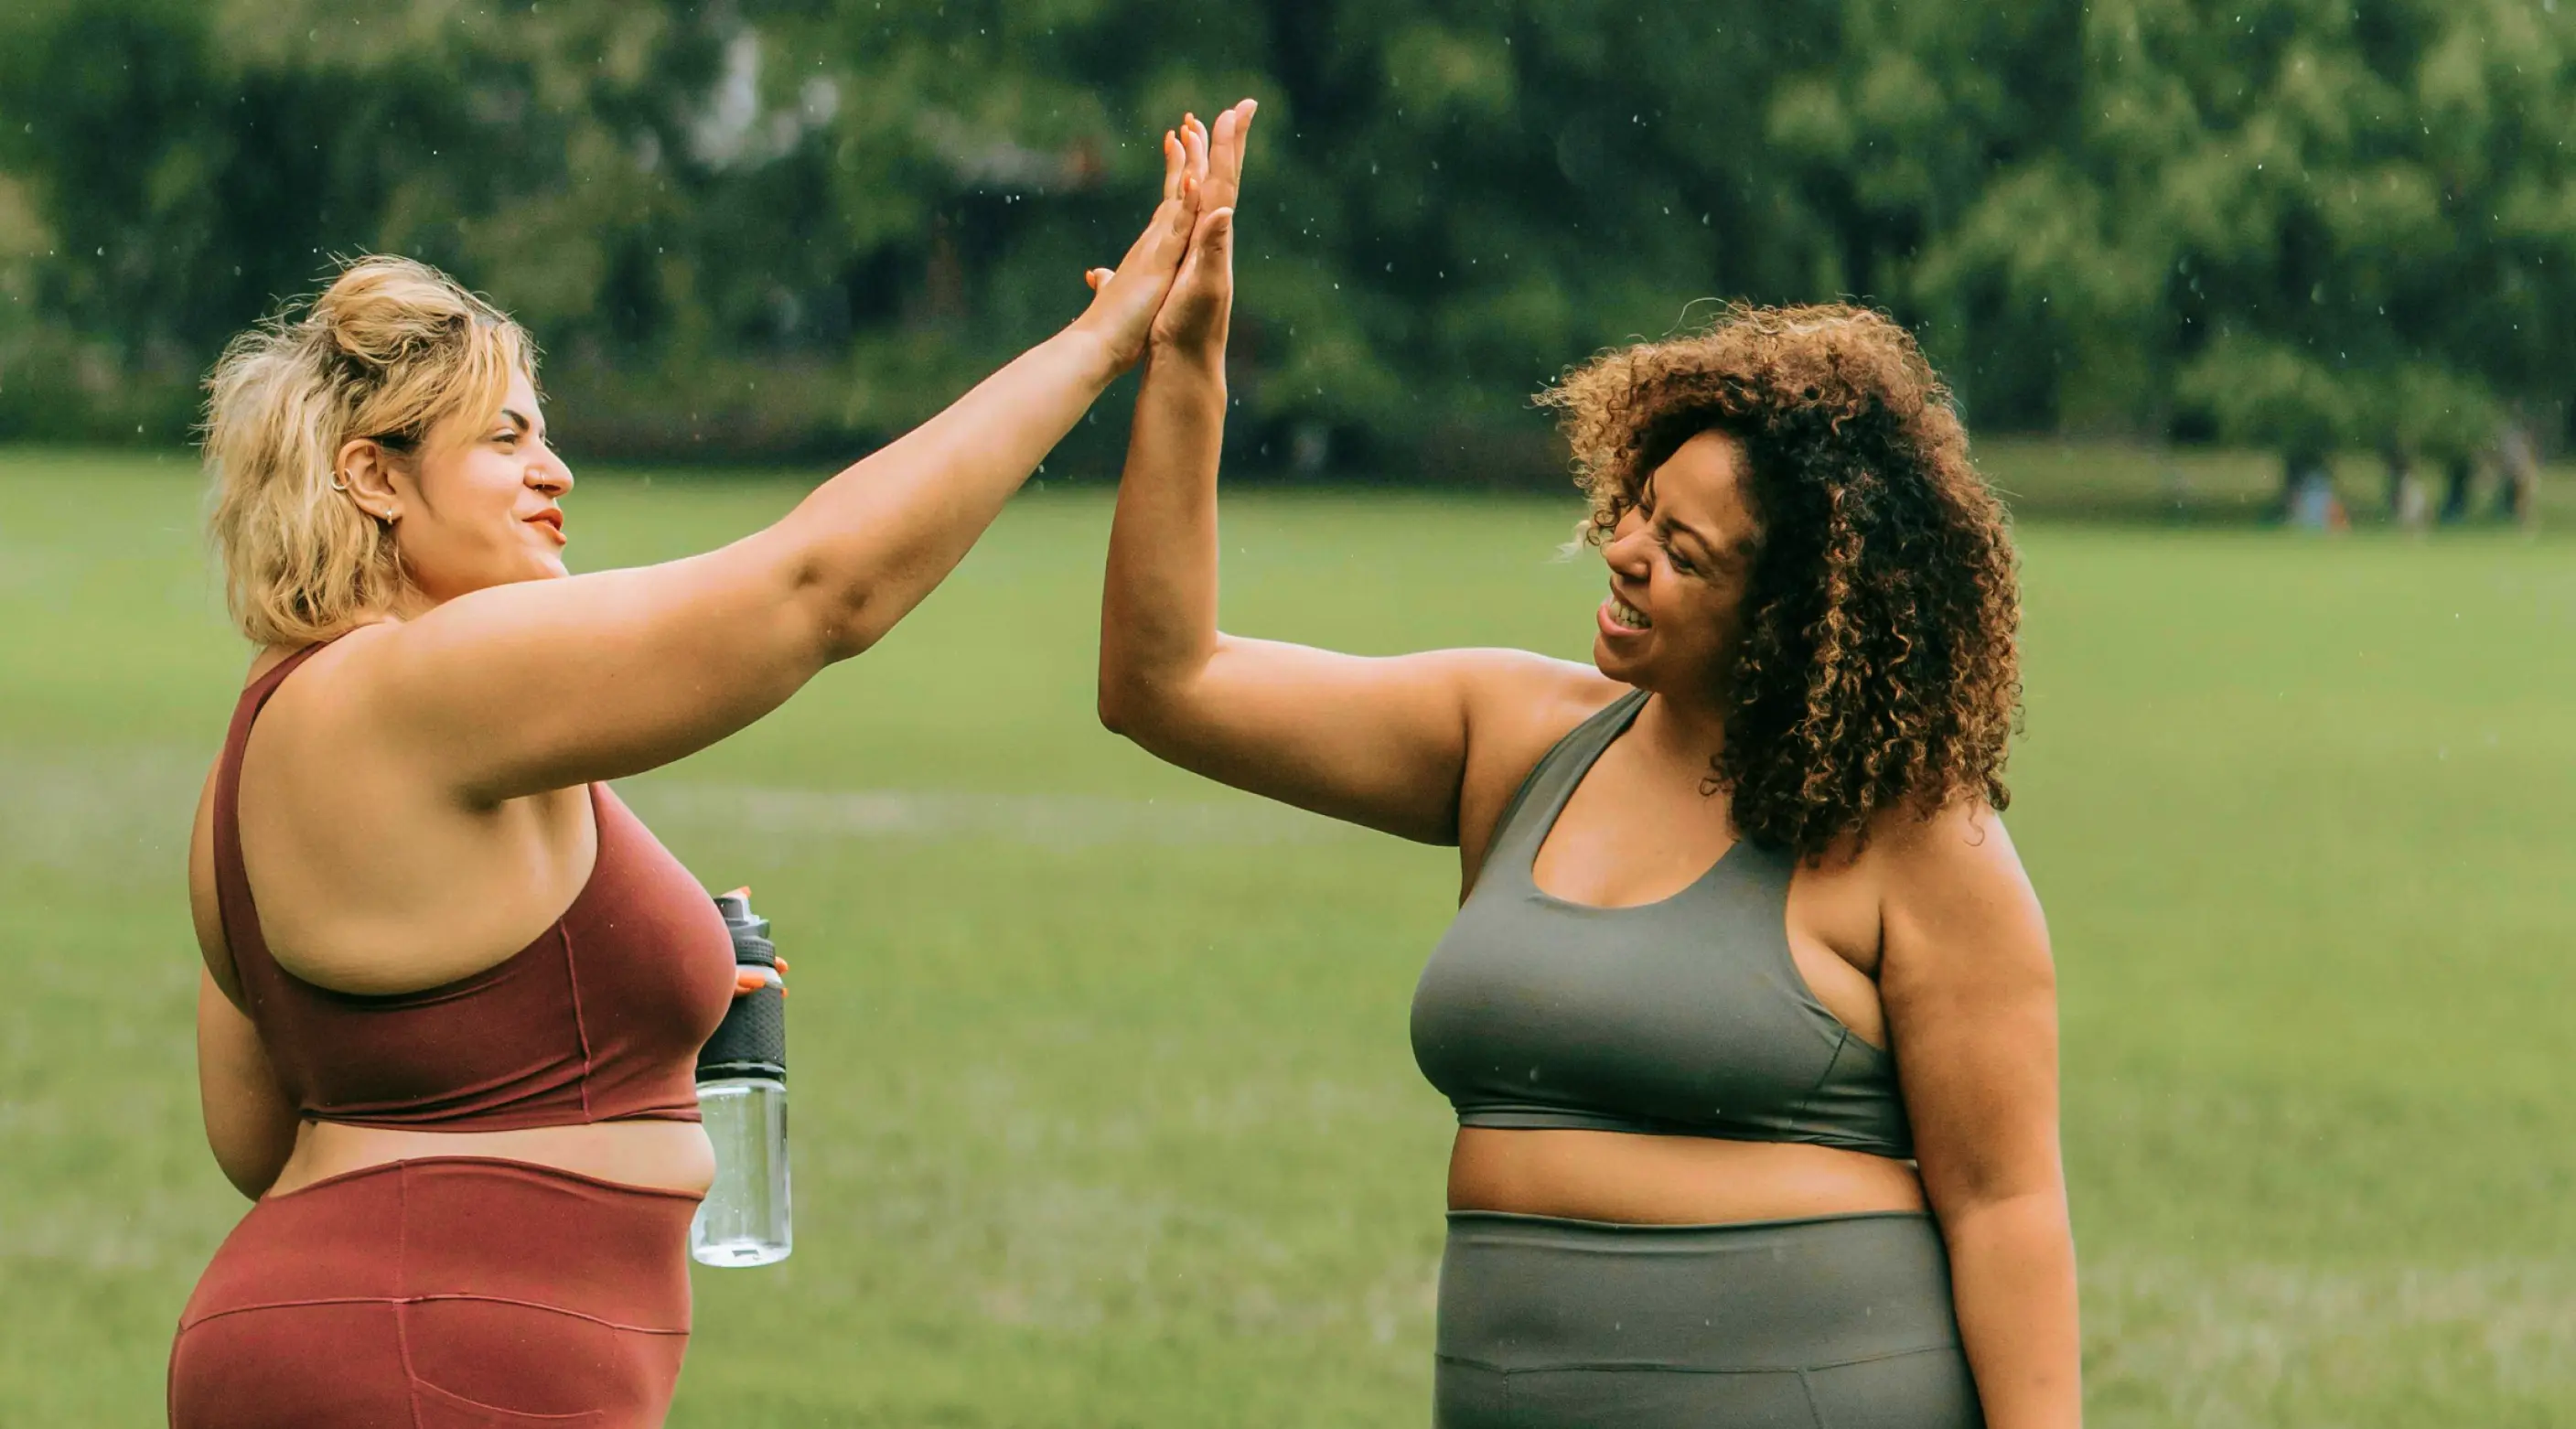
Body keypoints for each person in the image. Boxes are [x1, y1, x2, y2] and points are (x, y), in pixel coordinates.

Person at [169, 123, 1208, 1428]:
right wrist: (1096, 349)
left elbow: (263, 1139)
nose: (554, 470)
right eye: (501, 440)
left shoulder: (261, 749)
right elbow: (816, 591)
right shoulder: (421, 684)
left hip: (323, 1329)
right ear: (373, 478)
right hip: (439, 1354)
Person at [1100, 104, 2077, 1427]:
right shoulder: (1512, 737)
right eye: (1637, 508)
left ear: (1795, 616)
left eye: (1687, 553)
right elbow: (1168, 685)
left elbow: (2009, 1208)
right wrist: (1189, 364)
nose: (1623, 550)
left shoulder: (1917, 838)